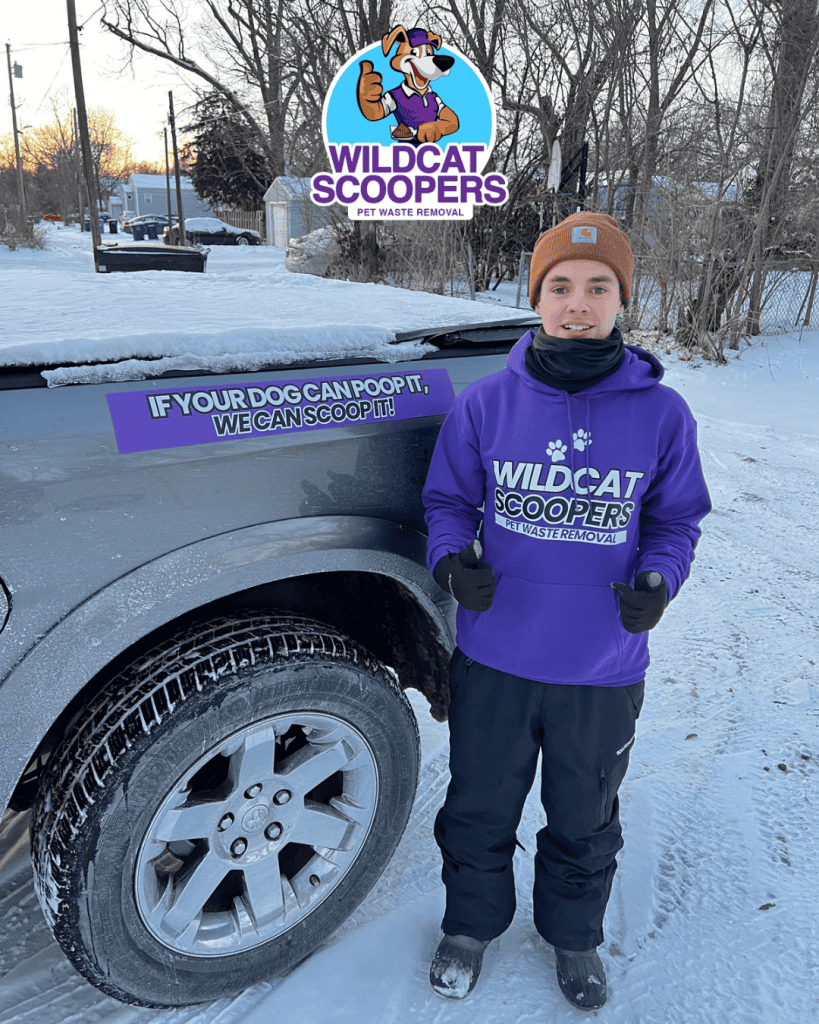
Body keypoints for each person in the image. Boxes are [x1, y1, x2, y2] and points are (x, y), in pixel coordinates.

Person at [422, 212, 711, 1009]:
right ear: (536, 298)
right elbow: (447, 502)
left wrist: (659, 581)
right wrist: (450, 564)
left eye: (597, 287)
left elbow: (675, 521)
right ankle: (468, 926)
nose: (577, 303)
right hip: (495, 657)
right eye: (559, 287)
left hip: (601, 665)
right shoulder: (486, 405)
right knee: (478, 806)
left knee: (585, 816)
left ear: (622, 299)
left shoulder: (662, 415)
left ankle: (574, 936)